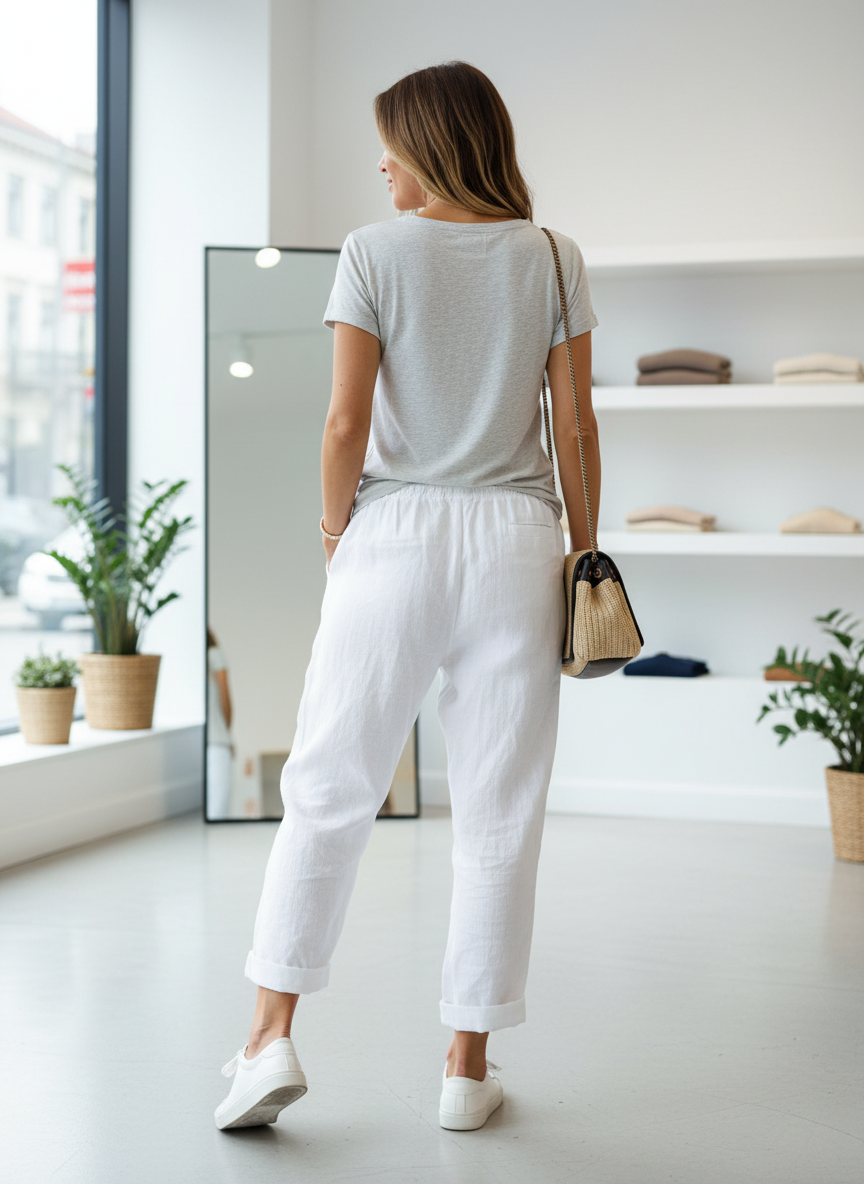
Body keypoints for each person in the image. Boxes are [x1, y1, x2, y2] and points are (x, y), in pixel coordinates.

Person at [215, 60, 600, 1133]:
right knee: (499, 803)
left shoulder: (372, 251)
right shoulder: (554, 256)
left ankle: (268, 1040)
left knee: (329, 786)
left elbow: (345, 423)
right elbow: (574, 424)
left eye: (389, 142)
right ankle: (466, 1068)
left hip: (393, 532)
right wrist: (587, 553)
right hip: (519, 538)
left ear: (430, 143)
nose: (380, 163)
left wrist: (334, 532)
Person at [206, 628, 234, 818]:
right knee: (217, 812)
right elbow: (226, 703)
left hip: (204, 745)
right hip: (217, 745)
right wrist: (226, 733)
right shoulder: (215, 654)